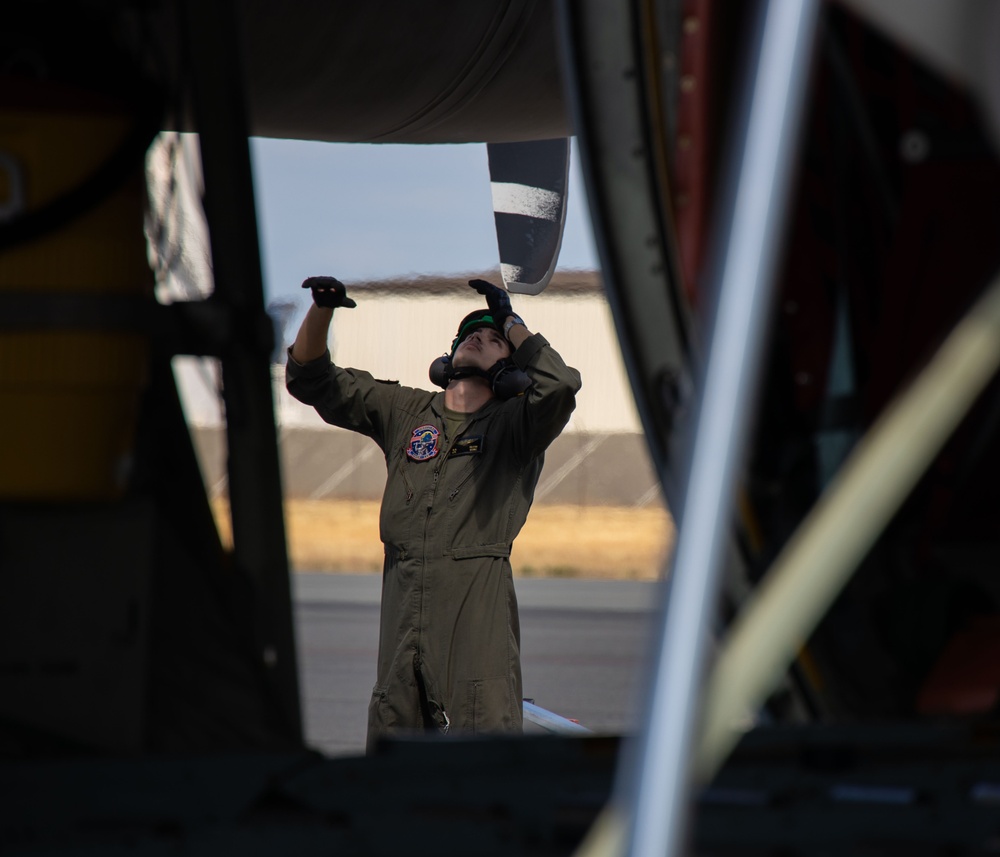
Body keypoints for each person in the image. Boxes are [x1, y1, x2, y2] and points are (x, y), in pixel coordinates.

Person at [285, 275, 581, 749]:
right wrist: (323, 309)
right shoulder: (406, 412)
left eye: (494, 339)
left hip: (473, 625)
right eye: (469, 333)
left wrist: (513, 322)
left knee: (479, 763)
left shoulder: (515, 428)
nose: (478, 337)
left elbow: (560, 385)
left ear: (512, 370)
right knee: (392, 764)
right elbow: (311, 379)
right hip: (401, 624)